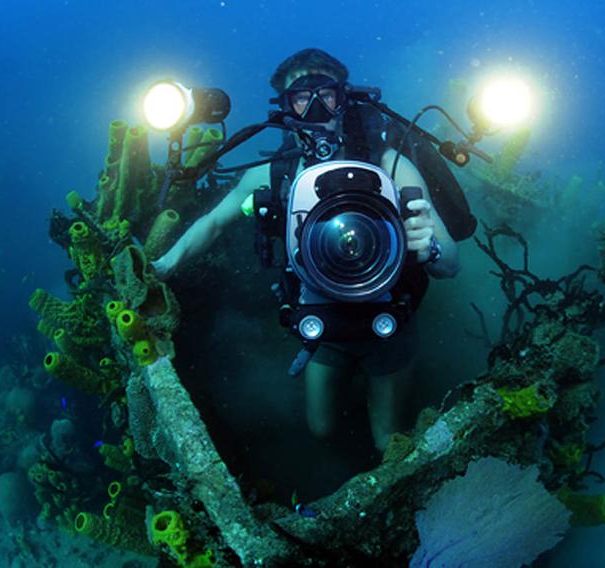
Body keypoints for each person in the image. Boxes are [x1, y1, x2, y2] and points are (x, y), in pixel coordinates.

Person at [152, 48, 460, 451]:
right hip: (323, 321)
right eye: (301, 96)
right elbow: (213, 222)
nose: (315, 106)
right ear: (285, 107)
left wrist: (432, 247)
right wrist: (162, 265)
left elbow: (450, 263)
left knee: (389, 440)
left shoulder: (389, 165)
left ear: (344, 98)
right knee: (321, 428)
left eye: (326, 93)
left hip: (389, 318)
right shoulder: (276, 175)